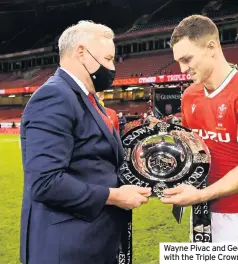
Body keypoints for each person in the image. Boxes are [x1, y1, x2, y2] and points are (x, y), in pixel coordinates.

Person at [20, 20, 151, 264]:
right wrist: (114, 196)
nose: (112, 67)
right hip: (66, 248)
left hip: (91, 242)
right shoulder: (55, 96)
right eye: (108, 58)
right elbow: (45, 182)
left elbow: (96, 160)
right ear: (81, 52)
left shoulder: (84, 97)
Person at [161, 15, 238, 242]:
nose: (183, 68)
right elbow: (192, 153)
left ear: (212, 47)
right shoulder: (189, 96)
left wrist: (201, 195)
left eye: (187, 59)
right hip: (201, 216)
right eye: (178, 62)